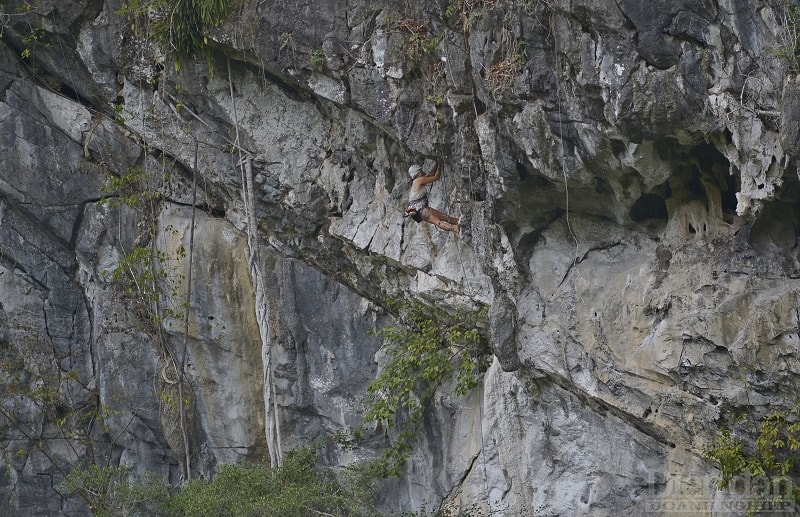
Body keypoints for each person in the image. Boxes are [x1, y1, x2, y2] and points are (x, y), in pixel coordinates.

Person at [404, 161, 460, 234]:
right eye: (421, 171)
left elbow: (430, 174)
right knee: (438, 221)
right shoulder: (418, 180)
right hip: (421, 209)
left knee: (443, 218)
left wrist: (437, 163)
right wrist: (440, 166)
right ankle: (455, 228)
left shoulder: (417, 182)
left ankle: (458, 222)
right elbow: (436, 177)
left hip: (418, 212)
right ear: (417, 173)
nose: (423, 172)